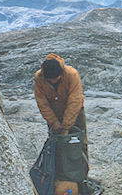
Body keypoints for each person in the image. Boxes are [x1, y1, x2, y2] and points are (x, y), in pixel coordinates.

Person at [33, 53, 88, 182]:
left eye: (55, 80)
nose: (52, 82)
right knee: (56, 145)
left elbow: (75, 101)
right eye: (50, 81)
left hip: (76, 113)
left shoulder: (71, 74)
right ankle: (59, 176)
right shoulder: (39, 78)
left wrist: (66, 126)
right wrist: (53, 122)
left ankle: (81, 178)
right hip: (54, 112)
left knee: (78, 144)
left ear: (61, 74)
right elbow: (42, 103)